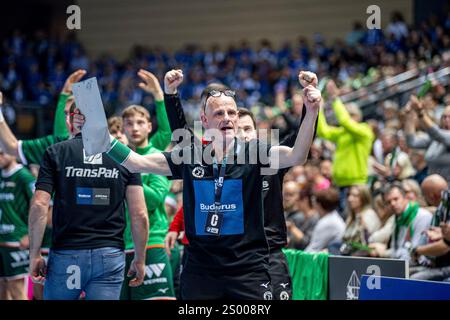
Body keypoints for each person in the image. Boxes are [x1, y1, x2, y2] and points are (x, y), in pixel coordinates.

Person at [87, 70, 321, 300]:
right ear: (205, 120)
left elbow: (297, 155)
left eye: (232, 112)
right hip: (200, 271)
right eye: (219, 113)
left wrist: (311, 111)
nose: (227, 117)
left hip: (248, 271)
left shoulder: (256, 153)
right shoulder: (189, 156)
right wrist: (100, 132)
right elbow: (136, 163)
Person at [163, 69, 318, 300]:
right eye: (239, 128)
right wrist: (171, 95)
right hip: (223, 260)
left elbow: (300, 143)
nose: (242, 133)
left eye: (247, 129)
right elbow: (183, 137)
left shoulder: (268, 159)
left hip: (268, 254)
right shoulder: (215, 160)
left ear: (255, 132)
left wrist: (310, 104)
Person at [28, 105, 149, 300]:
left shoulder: (56, 152)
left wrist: (34, 254)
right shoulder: (124, 155)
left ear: (72, 122)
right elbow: (139, 214)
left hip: (66, 253)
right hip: (109, 255)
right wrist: (140, 259)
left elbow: (39, 205)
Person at [119, 70, 175, 300]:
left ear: (149, 127)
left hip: (151, 242)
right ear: (121, 128)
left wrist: (159, 97)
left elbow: (153, 201)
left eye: (140, 122)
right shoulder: (116, 158)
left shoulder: (155, 155)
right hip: (119, 246)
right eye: (129, 123)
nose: (134, 128)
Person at [316, 80, 374, 215]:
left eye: (350, 114)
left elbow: (344, 121)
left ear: (358, 116)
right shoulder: (342, 133)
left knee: (355, 219)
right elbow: (323, 131)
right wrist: (318, 108)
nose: (346, 116)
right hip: (339, 185)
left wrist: (335, 99)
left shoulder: (365, 131)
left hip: (357, 185)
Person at [0, 148, 35, 300]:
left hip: (17, 241)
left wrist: (29, 234)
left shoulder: (24, 176)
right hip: (2, 241)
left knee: (16, 290)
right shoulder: (0, 176)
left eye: (2, 153)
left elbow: (41, 206)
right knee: (3, 290)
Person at [369, 183, 432, 262]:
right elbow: (397, 249)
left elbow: (414, 254)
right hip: (401, 264)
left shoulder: (422, 216)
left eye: (396, 199)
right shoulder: (397, 218)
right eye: (388, 202)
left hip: (418, 265)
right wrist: (384, 252)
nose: (393, 204)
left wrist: (385, 253)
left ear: (405, 197)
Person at [409, 175, 450, 281]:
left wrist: (417, 251)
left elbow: (445, 246)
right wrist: (442, 234)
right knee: (403, 272)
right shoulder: (442, 207)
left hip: (445, 265)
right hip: (435, 263)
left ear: (431, 196)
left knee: (413, 279)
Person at [405, 96, 450, 183]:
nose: (447, 120)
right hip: (434, 190)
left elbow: (437, 134)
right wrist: (409, 115)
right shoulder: (434, 139)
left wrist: (420, 112)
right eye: (444, 117)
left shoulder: (439, 136)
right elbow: (412, 142)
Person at [338, 185, 381, 256]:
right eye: (349, 195)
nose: (350, 199)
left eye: (355, 196)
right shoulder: (351, 217)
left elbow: (369, 243)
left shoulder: (369, 215)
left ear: (364, 198)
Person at [305, 188, 346, 252]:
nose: (313, 204)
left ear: (319, 204)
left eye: (314, 201)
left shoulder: (328, 222)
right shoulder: (331, 217)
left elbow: (313, 249)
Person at [286, 185, 319, 250]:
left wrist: (292, 228)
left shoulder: (315, 218)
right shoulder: (304, 218)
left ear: (305, 200)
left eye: (298, 200)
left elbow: (307, 242)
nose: (296, 202)